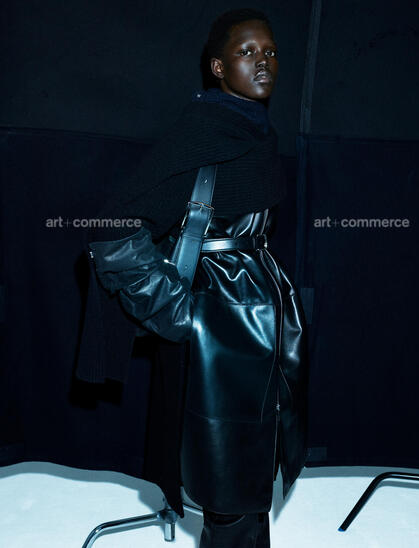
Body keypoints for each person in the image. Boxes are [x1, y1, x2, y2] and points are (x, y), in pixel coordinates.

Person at [79, 8, 308, 547]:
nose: (263, 62)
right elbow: (113, 229)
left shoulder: (257, 130)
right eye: (246, 52)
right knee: (224, 479)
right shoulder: (203, 130)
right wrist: (178, 312)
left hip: (263, 319)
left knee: (251, 473)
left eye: (271, 52)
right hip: (216, 332)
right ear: (218, 67)